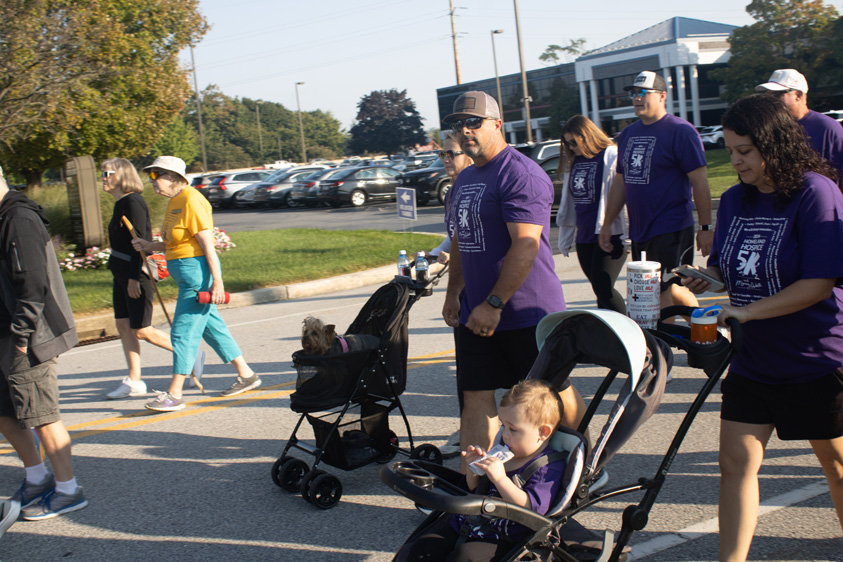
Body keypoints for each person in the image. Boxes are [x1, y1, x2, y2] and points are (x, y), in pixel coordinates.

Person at [681, 94, 843, 562]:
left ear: (775, 144)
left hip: (816, 357)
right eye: (730, 150)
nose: (735, 161)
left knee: (836, 466)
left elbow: (819, 282)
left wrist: (748, 312)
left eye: (745, 151)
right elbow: (728, 268)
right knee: (734, 464)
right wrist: (706, 279)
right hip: (754, 359)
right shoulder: (735, 198)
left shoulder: (815, 192)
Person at [440, 91, 585, 472]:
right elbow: (461, 240)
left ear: (497, 124)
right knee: (475, 396)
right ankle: (474, 482)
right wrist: (454, 293)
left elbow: (525, 242)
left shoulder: (521, 173)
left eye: (474, 122)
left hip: (526, 312)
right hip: (475, 311)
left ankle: (585, 462)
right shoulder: (464, 179)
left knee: (550, 394)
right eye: (459, 124)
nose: (465, 130)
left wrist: (494, 303)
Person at [131, 156, 260, 412]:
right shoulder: (175, 201)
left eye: (157, 175)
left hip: (196, 277)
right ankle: (247, 375)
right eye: (150, 175)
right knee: (213, 329)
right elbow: (175, 242)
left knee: (182, 333)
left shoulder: (192, 200)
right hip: (185, 274)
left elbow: (207, 246)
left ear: (175, 177)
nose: (152, 181)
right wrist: (148, 245)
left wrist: (218, 282)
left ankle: (174, 394)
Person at [395, 379, 567, 561]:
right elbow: (474, 489)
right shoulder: (505, 452)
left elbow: (532, 511)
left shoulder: (547, 467)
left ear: (543, 432)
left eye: (513, 429)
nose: (505, 435)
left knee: (465, 556)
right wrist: (474, 469)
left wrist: (500, 479)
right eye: (503, 425)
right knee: (422, 547)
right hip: (471, 522)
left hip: (504, 537)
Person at [0, 166, 87, 520]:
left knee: (41, 416)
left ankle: (69, 490)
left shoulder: (18, 219)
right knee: (6, 413)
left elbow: (33, 284)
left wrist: (22, 336)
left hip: (26, 337)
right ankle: (37, 478)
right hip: (5, 335)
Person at [598, 71, 714, 311]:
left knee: (664, 289)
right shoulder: (628, 134)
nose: (637, 98)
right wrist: (607, 223)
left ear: (662, 96)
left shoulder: (681, 131)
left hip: (671, 226)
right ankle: (700, 328)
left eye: (643, 92)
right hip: (640, 230)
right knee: (662, 289)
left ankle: (677, 331)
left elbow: (700, 181)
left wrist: (705, 228)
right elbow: (621, 181)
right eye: (633, 93)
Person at [101, 158, 204, 400]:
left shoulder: (133, 202)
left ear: (122, 175)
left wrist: (133, 278)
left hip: (135, 274)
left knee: (142, 330)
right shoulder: (120, 203)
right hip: (120, 273)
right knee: (123, 326)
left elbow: (141, 243)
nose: (103, 178)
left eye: (108, 173)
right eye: (103, 174)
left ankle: (191, 354)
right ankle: (134, 380)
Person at [556, 115, 627, 314]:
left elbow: (622, 193)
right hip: (585, 235)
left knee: (603, 287)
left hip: (611, 233)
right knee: (599, 290)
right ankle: (607, 331)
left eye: (574, 142)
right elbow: (570, 203)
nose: (571, 148)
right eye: (568, 144)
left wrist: (620, 230)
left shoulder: (611, 155)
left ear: (587, 136)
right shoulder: (575, 161)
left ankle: (632, 330)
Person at [755, 68, 843, 179]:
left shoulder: (827, 127)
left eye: (777, 95)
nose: (772, 102)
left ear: (798, 95)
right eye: (769, 96)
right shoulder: (773, 128)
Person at [428, 131, 473, 265]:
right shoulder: (451, 193)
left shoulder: (478, 190)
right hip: (462, 272)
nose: (446, 160)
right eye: (443, 154)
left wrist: (455, 256)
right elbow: (454, 236)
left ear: (468, 154)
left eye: (451, 154)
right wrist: (431, 255)